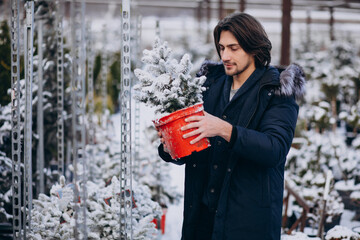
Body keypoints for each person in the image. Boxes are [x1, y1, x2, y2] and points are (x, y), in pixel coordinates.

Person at [158, 12, 305, 240]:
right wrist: (171, 146)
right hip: (203, 219)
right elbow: (193, 145)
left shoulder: (276, 92)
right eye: (222, 47)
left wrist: (223, 129)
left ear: (254, 48)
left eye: (234, 48)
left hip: (247, 221)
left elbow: (274, 149)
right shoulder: (209, 86)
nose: (225, 55)